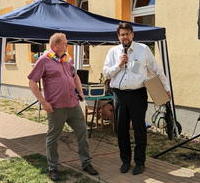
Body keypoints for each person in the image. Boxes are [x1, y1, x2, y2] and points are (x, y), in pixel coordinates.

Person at [28, 33, 98, 181]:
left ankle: (86, 163)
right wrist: (43, 102)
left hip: (73, 105)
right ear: (55, 45)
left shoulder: (67, 59)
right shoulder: (44, 60)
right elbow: (32, 83)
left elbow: (75, 76)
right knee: (53, 138)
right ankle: (53, 168)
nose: (67, 46)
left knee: (83, 133)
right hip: (56, 108)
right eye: (65, 43)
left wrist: (80, 92)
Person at [103, 22, 170, 175]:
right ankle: (126, 161)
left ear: (132, 34)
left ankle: (140, 162)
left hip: (138, 94)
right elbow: (106, 73)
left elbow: (157, 70)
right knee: (121, 130)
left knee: (139, 130)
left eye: (127, 34)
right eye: (122, 34)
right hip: (119, 95)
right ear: (118, 36)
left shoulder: (143, 49)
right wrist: (119, 65)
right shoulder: (113, 52)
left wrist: (166, 88)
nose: (124, 37)